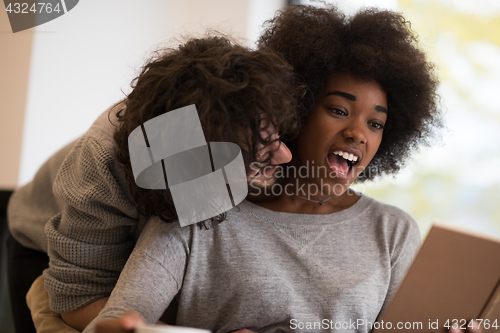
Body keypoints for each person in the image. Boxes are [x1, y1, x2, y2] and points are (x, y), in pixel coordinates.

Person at [82, 5, 479, 333]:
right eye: (339, 110)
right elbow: (114, 324)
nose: (359, 133)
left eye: (375, 123)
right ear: (295, 110)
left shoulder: (393, 231)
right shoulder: (200, 210)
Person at [6, 35, 303, 333]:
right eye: (259, 155)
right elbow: (80, 300)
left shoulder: (238, 125)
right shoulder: (102, 164)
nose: (286, 156)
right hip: (42, 244)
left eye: (276, 136)